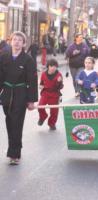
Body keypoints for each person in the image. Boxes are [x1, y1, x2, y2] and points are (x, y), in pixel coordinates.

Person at [0, 31, 38, 165]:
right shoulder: (3, 57)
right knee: (9, 122)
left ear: (23, 44)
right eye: (14, 40)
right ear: (10, 41)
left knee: (17, 123)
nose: (16, 42)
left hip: (21, 93)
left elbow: (32, 80)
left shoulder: (28, 60)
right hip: (7, 93)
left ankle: (14, 154)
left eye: (19, 40)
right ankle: (15, 147)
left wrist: (31, 100)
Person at [38, 59, 63, 131]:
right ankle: (43, 117)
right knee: (40, 106)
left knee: (54, 111)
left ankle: (52, 124)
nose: (53, 68)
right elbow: (41, 83)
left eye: (55, 66)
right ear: (48, 66)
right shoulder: (43, 74)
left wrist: (59, 82)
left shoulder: (59, 75)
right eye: (51, 66)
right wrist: (40, 86)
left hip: (54, 94)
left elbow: (60, 87)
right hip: (45, 93)